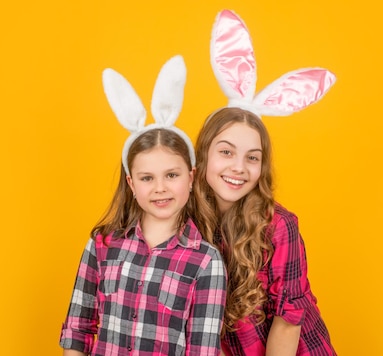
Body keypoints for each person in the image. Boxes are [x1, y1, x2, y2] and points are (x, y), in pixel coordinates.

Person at [191, 10, 337, 356]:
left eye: (252, 157)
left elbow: (288, 324)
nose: (239, 168)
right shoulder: (188, 220)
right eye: (226, 152)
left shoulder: (279, 227)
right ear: (204, 155)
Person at [59, 55, 227, 356]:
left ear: (191, 178)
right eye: (147, 178)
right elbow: (78, 327)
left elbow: (202, 350)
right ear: (132, 184)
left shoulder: (205, 261)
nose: (160, 187)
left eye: (171, 175)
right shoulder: (103, 244)